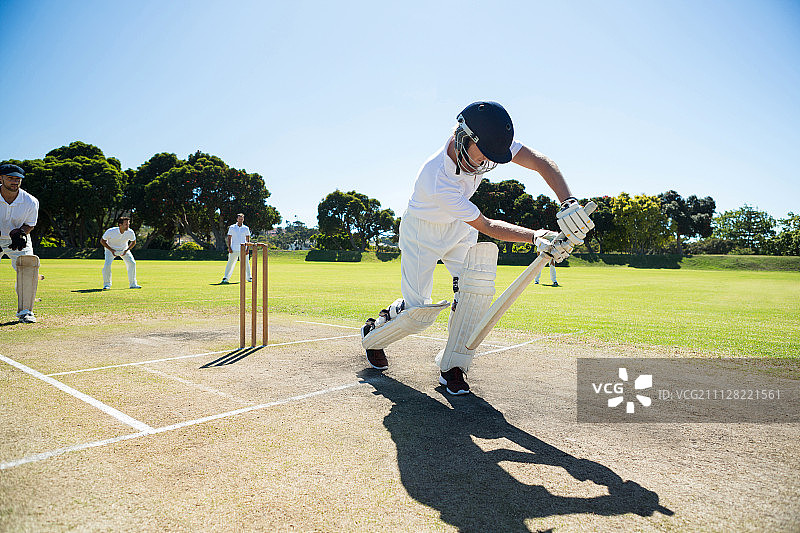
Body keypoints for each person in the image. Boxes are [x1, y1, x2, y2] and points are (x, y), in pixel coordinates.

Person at [360, 102, 593, 395]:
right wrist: (536, 236)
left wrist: (568, 202)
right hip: (422, 232)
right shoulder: (438, 179)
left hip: (459, 229)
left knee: (473, 293)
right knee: (417, 314)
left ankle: (453, 365)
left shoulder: (487, 140)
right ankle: (374, 334)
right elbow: (487, 226)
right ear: (463, 137)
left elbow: (540, 162)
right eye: (483, 155)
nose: (486, 163)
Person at [0, 163, 40, 323]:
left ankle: (26, 311)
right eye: (10, 178)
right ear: (1, 178)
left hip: (18, 240)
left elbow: (31, 223)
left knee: (28, 267)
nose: (15, 182)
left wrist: (21, 233)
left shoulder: (30, 201)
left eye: (18, 179)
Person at [100, 217, 141, 289]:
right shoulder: (111, 231)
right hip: (110, 250)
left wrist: (127, 250)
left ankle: (133, 284)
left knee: (132, 263)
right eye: (125, 224)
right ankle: (107, 285)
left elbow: (133, 242)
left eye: (128, 224)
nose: (127, 226)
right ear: (120, 225)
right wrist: (111, 250)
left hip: (124, 249)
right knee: (107, 265)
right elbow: (102, 241)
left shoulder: (130, 232)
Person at [221, 213, 252, 284]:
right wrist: (229, 248)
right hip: (233, 248)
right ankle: (226, 278)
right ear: (237, 219)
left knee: (246, 263)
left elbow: (248, 239)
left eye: (242, 219)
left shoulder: (246, 228)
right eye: (239, 219)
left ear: (243, 219)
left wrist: (248, 249)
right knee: (230, 263)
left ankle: (249, 277)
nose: (240, 220)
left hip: (243, 249)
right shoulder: (232, 227)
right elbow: (229, 238)